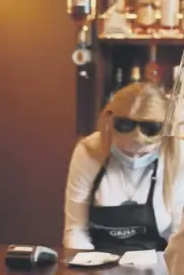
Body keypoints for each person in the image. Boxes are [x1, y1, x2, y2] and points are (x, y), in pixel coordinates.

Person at [64, 82, 184, 252]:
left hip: (158, 265)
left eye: (143, 154)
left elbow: (179, 237)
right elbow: (75, 230)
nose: (134, 158)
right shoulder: (89, 152)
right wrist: (85, 269)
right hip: (96, 264)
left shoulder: (177, 155)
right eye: (125, 150)